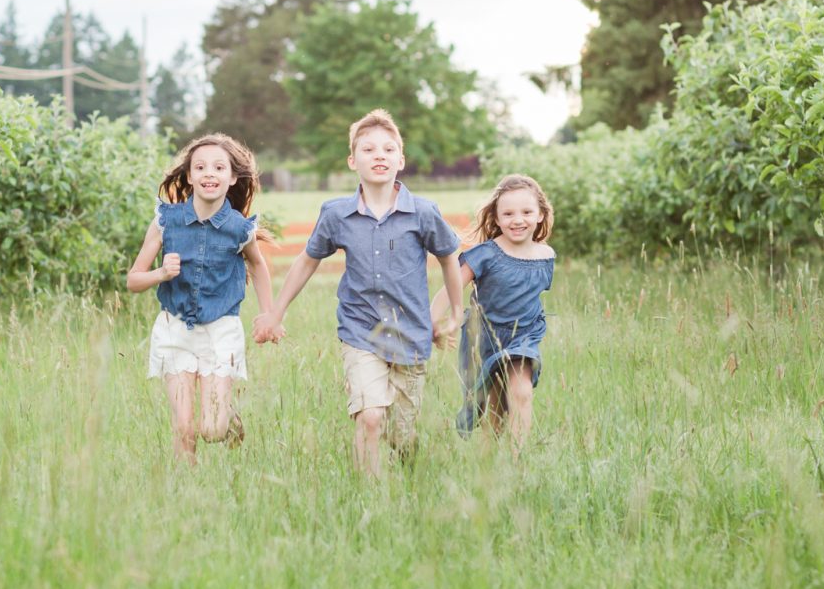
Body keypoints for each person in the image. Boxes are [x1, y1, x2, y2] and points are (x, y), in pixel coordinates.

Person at [255, 109, 463, 475]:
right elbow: (307, 260)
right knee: (369, 418)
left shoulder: (423, 213)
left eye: (388, 149)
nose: (379, 155)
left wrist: (454, 313)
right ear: (353, 160)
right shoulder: (336, 214)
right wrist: (276, 312)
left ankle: (410, 470)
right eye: (368, 149)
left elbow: (449, 258)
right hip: (359, 332)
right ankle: (372, 499)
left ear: (401, 159)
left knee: (401, 433)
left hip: (411, 336)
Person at [127, 133, 282, 462]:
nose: (209, 173)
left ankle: (228, 417)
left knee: (211, 429)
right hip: (174, 329)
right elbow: (133, 280)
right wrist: (160, 274)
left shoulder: (240, 229)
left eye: (218, 167)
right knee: (184, 428)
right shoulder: (165, 222)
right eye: (200, 167)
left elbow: (258, 265)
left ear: (232, 177)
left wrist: (270, 315)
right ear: (188, 176)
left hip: (220, 331)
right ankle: (186, 500)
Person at [431, 174, 554, 450]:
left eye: (526, 212)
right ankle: (489, 471)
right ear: (496, 219)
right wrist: (432, 322)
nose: (517, 219)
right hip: (484, 337)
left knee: (521, 392)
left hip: (524, 337)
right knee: (494, 411)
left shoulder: (546, 256)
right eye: (508, 213)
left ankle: (516, 462)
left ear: (540, 215)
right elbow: (453, 286)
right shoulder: (486, 254)